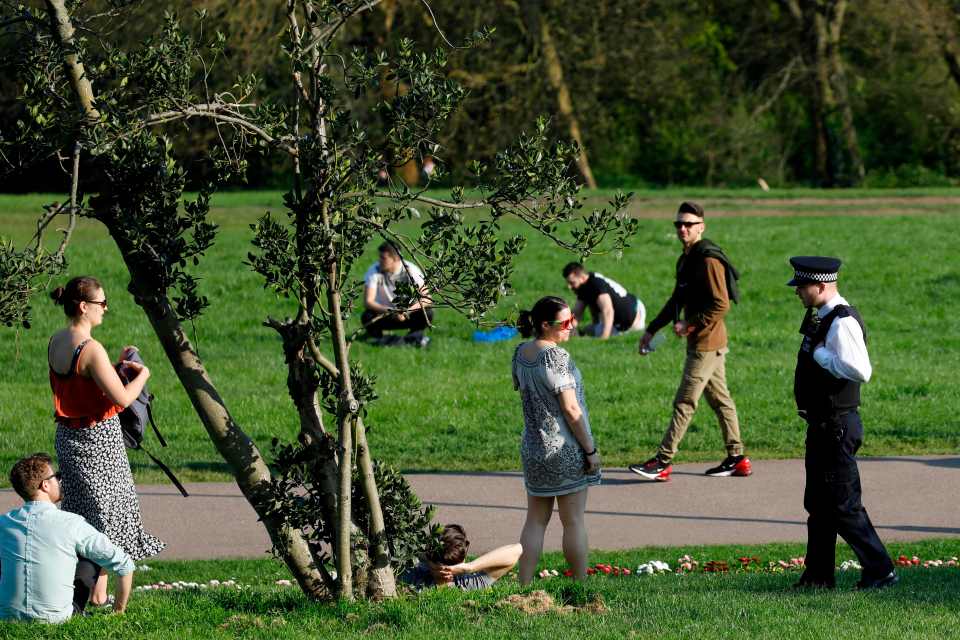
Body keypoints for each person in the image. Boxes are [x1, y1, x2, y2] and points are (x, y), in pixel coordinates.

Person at [47, 276, 164, 606]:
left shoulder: (56, 341)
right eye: (102, 303)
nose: (106, 308)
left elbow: (79, 387)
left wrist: (111, 369)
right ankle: (102, 597)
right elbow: (124, 399)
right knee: (111, 516)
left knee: (84, 515)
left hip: (69, 438)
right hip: (100, 441)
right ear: (84, 306)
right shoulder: (91, 348)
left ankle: (94, 593)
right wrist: (141, 375)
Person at [787, 256, 897, 590]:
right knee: (818, 506)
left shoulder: (842, 321)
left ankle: (880, 569)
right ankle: (818, 577)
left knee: (843, 506)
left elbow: (860, 370)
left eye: (802, 287)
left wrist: (822, 356)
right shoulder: (822, 316)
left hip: (837, 426)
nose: (797, 293)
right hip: (822, 425)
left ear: (820, 286)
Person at [631, 201, 750, 481]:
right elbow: (677, 298)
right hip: (708, 342)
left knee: (685, 402)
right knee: (721, 401)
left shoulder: (708, 260)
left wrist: (690, 323)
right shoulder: (686, 258)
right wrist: (651, 329)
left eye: (689, 224)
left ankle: (662, 462)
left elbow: (721, 305)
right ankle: (737, 458)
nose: (683, 229)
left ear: (702, 227)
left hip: (706, 344)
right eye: (679, 224)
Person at [512, 296, 601, 584]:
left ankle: (523, 586)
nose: (571, 326)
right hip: (564, 449)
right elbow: (571, 410)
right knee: (573, 520)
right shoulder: (556, 357)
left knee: (535, 521)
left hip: (533, 449)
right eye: (564, 323)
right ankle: (580, 585)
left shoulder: (520, 353)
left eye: (572, 319)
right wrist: (591, 450)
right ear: (544, 325)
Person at [0, 453, 135, 622]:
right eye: (57, 477)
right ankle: (92, 602)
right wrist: (118, 613)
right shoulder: (72, 523)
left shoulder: (4, 523)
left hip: (7, 617)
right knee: (89, 559)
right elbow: (125, 564)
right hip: (56, 619)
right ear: (46, 485)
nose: (60, 481)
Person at [401, 524, 522, 591]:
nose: (445, 570)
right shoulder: (470, 584)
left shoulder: (468, 583)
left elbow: (517, 549)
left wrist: (470, 567)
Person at [361, 242, 434, 347]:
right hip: (385, 314)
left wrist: (406, 311)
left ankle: (411, 336)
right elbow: (368, 302)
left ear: (396, 259)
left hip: (408, 315)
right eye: (379, 257)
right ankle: (379, 338)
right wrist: (393, 312)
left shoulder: (411, 270)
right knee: (367, 316)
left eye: (383, 258)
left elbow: (427, 299)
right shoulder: (374, 270)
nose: (379, 261)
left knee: (427, 312)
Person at [562, 262, 646, 339]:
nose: (569, 287)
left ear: (581, 277)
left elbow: (608, 310)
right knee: (588, 331)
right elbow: (577, 312)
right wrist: (565, 330)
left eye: (572, 282)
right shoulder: (584, 287)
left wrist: (604, 337)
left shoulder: (596, 284)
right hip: (619, 321)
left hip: (635, 314)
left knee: (593, 332)